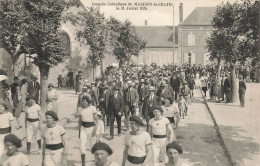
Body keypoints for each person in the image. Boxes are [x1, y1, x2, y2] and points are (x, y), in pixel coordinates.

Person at [78, 96, 98, 166]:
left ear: (88, 102)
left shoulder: (92, 108)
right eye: (83, 101)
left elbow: (96, 120)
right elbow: (80, 120)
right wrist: (79, 131)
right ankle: (83, 163)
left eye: (86, 101)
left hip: (91, 128)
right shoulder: (80, 109)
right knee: (82, 145)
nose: (84, 102)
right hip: (83, 128)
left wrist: (95, 130)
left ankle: (96, 160)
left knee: (92, 146)